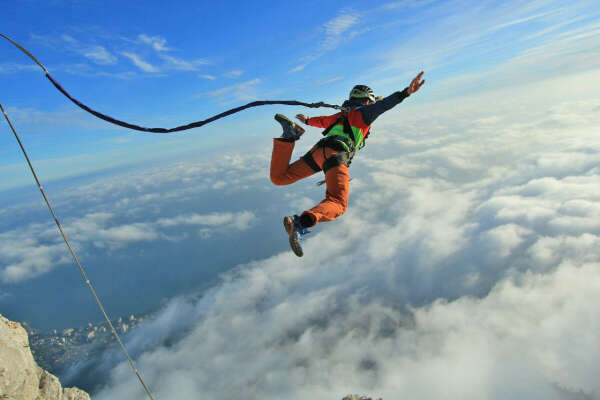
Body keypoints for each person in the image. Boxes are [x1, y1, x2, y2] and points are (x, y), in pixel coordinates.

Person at [270, 71, 425, 257]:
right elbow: (384, 105)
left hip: (319, 152)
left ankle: (289, 137)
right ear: (368, 100)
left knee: (279, 177)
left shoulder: (340, 115)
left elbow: (322, 121)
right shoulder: (366, 113)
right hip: (335, 155)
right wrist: (405, 93)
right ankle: (300, 223)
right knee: (337, 203)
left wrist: (307, 121)